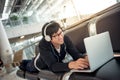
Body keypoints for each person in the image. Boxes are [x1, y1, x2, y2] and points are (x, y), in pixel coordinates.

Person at [19, 21, 89, 73]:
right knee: (28, 66)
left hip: (51, 60)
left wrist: (85, 57)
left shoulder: (65, 38)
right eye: (56, 35)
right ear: (48, 38)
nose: (61, 37)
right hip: (39, 64)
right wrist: (70, 64)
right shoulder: (43, 45)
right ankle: (23, 62)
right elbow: (52, 66)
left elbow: (76, 54)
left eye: (61, 32)